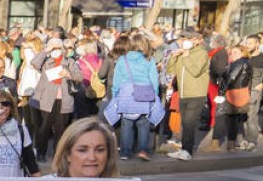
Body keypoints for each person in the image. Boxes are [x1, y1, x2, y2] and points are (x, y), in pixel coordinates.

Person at [104, 33, 163, 161]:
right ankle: (143, 149)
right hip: (145, 95)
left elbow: (116, 81)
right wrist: (155, 95)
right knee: (143, 124)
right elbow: (154, 81)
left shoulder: (122, 60)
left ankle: (125, 152)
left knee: (126, 124)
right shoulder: (149, 60)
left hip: (126, 95)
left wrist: (116, 96)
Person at [29, 38, 82, 162]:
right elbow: (34, 63)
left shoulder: (70, 62)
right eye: (53, 48)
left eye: (58, 48)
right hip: (46, 99)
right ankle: (41, 153)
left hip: (64, 100)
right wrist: (46, 50)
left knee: (61, 129)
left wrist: (69, 74)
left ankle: (57, 154)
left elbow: (79, 77)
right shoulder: (46, 61)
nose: (56, 50)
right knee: (44, 128)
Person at [164, 32, 209, 161]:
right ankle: (184, 149)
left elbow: (195, 71)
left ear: (199, 40)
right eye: (185, 38)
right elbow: (170, 70)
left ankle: (187, 151)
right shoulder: (183, 52)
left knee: (189, 123)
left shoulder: (201, 53)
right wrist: (174, 56)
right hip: (183, 93)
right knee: (185, 123)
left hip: (196, 94)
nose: (186, 41)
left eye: (190, 38)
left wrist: (186, 57)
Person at [218, 43, 254, 151]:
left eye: (236, 52)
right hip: (239, 92)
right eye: (232, 52)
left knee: (231, 119)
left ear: (242, 53)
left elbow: (231, 78)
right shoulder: (241, 62)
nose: (233, 54)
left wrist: (221, 91)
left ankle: (231, 144)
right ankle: (234, 142)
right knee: (235, 119)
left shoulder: (241, 62)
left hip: (234, 93)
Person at [244, 34, 262, 150]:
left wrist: (261, 85)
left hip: (255, 89)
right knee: (244, 114)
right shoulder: (245, 57)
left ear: (257, 44)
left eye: (250, 43)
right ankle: (245, 138)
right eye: (247, 43)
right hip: (243, 89)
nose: (248, 45)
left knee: (251, 114)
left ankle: (252, 140)